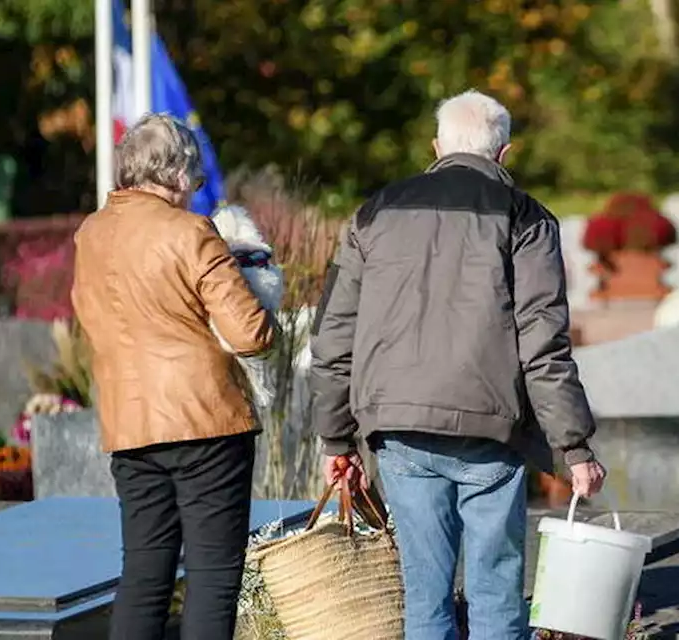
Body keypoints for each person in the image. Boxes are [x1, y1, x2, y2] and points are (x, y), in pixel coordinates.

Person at [309, 89, 605, 640]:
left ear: (436, 146)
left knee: (425, 592)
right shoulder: (527, 218)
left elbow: (333, 335)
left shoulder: (375, 212)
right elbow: (543, 342)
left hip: (396, 428)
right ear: (504, 152)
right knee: (495, 589)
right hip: (488, 426)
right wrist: (575, 446)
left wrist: (335, 439)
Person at [72, 113, 274, 640]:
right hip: (204, 421)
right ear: (177, 173)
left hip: (129, 424)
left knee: (144, 571)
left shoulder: (89, 235)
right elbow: (250, 333)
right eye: (195, 178)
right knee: (212, 574)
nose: (195, 191)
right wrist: (260, 286)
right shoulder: (190, 231)